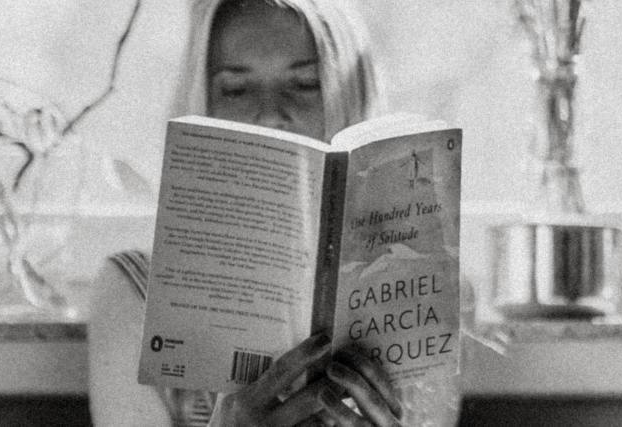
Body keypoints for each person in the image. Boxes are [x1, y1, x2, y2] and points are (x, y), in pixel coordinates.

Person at [88, 0, 397, 425]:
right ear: (203, 104)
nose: (271, 114)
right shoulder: (133, 292)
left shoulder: (413, 286)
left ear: (351, 95)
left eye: (305, 84)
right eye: (236, 89)